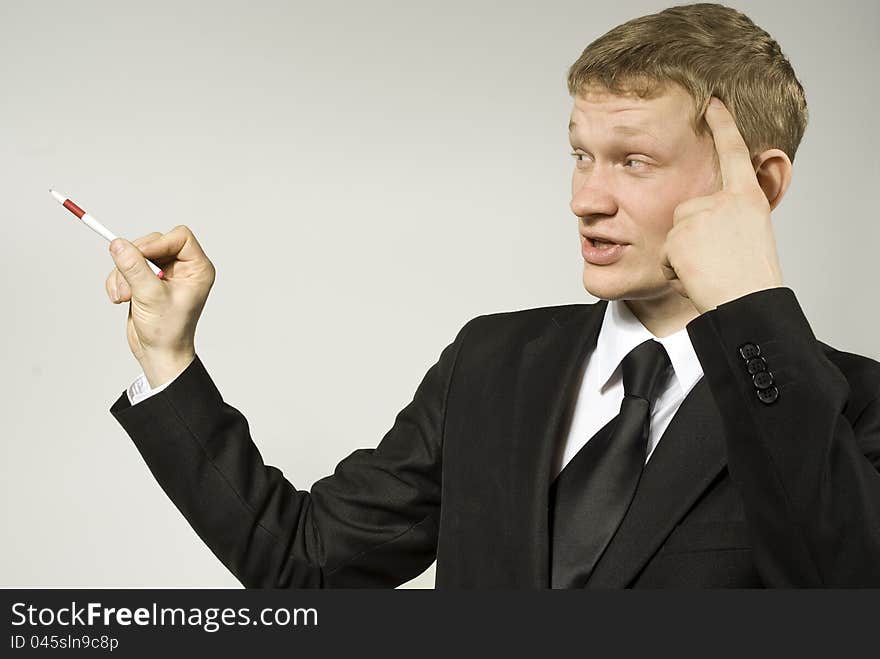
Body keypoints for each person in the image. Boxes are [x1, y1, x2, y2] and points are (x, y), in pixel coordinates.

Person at [106, 3, 880, 587]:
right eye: (581, 155)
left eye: (633, 160)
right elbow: (304, 561)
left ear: (763, 183)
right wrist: (168, 356)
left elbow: (843, 593)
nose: (586, 198)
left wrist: (752, 308)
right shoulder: (493, 360)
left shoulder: (849, 405)